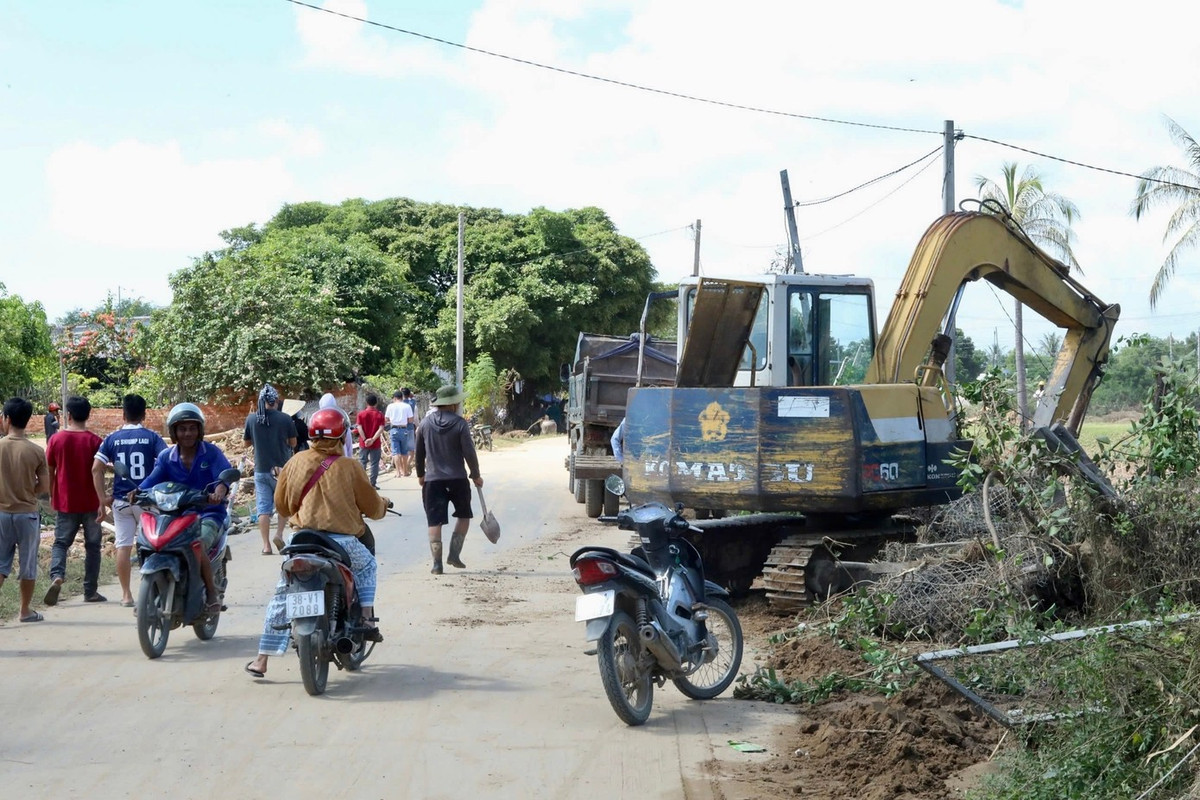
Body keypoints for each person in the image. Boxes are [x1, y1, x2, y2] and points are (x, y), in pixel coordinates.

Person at [245, 407, 388, 680]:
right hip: (341, 543)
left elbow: (282, 504)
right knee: (367, 565)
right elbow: (372, 507)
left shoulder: (295, 462)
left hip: (300, 541)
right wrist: (382, 506)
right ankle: (367, 618)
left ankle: (262, 659)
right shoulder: (350, 466)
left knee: (282, 593)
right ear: (342, 434)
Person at [137, 402, 233, 613]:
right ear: (174, 432)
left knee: (196, 544)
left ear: (199, 430)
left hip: (208, 514)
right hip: (175, 515)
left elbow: (223, 477)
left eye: (192, 428)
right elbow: (151, 481)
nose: (187, 433)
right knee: (150, 542)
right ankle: (148, 593)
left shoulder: (211, 453)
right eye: (182, 428)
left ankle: (211, 594)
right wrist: (137, 492)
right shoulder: (166, 457)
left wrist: (219, 492)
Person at [92, 394, 167, 607]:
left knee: (123, 545)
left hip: (121, 502)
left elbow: (96, 468)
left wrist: (102, 499)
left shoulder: (111, 439)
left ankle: (126, 595)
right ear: (144, 414)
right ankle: (150, 590)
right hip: (147, 501)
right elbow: (167, 462)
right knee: (151, 545)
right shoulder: (152, 438)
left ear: (123, 414)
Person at [415, 385, 483, 575]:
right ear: (453, 403)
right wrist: (475, 474)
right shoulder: (460, 424)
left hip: (433, 479)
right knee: (464, 515)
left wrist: (421, 474)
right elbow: (469, 452)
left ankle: (437, 564)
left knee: (434, 521)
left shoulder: (425, 424)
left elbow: (419, 453)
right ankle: (454, 554)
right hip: (458, 479)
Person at [44, 395, 104, 605]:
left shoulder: (56, 440)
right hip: (91, 502)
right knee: (94, 547)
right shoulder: (95, 441)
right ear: (88, 415)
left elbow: (50, 470)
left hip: (66, 502)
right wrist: (103, 501)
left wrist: (52, 493)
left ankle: (57, 575)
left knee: (60, 544)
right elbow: (100, 472)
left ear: (68, 415)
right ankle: (90, 591)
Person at [0, 398, 51, 622]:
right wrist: (28, 490)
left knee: (1, 564)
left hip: (1, 513)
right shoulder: (36, 451)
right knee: (28, 564)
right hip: (27, 513)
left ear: (7, 419)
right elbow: (44, 487)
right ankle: (25, 610)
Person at [243, 384, 296, 555]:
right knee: (282, 504)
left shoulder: (252, 419)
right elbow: (293, 443)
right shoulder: (285, 418)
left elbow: (246, 443)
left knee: (263, 508)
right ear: (276, 401)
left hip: (261, 469)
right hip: (281, 470)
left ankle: (266, 545)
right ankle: (279, 534)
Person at [354, 393, 386, 489]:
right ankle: (372, 484)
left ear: (366, 403)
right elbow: (381, 429)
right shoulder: (379, 415)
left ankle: (362, 484)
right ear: (376, 403)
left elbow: (359, 427)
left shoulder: (361, 414)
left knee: (362, 462)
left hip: (363, 443)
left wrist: (365, 439)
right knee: (374, 463)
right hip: (375, 443)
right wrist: (372, 439)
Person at [384, 390, 414, 477]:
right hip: (404, 429)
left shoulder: (390, 406)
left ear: (394, 398)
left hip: (393, 429)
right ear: (402, 397)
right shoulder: (407, 406)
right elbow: (411, 420)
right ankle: (405, 471)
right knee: (404, 452)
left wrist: (392, 421)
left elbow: (386, 419)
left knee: (395, 452)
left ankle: (398, 472)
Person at [320, 392, 354, 458]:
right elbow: (348, 441)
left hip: (323, 460)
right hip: (341, 455)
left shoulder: (318, 420)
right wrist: (350, 458)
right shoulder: (341, 418)